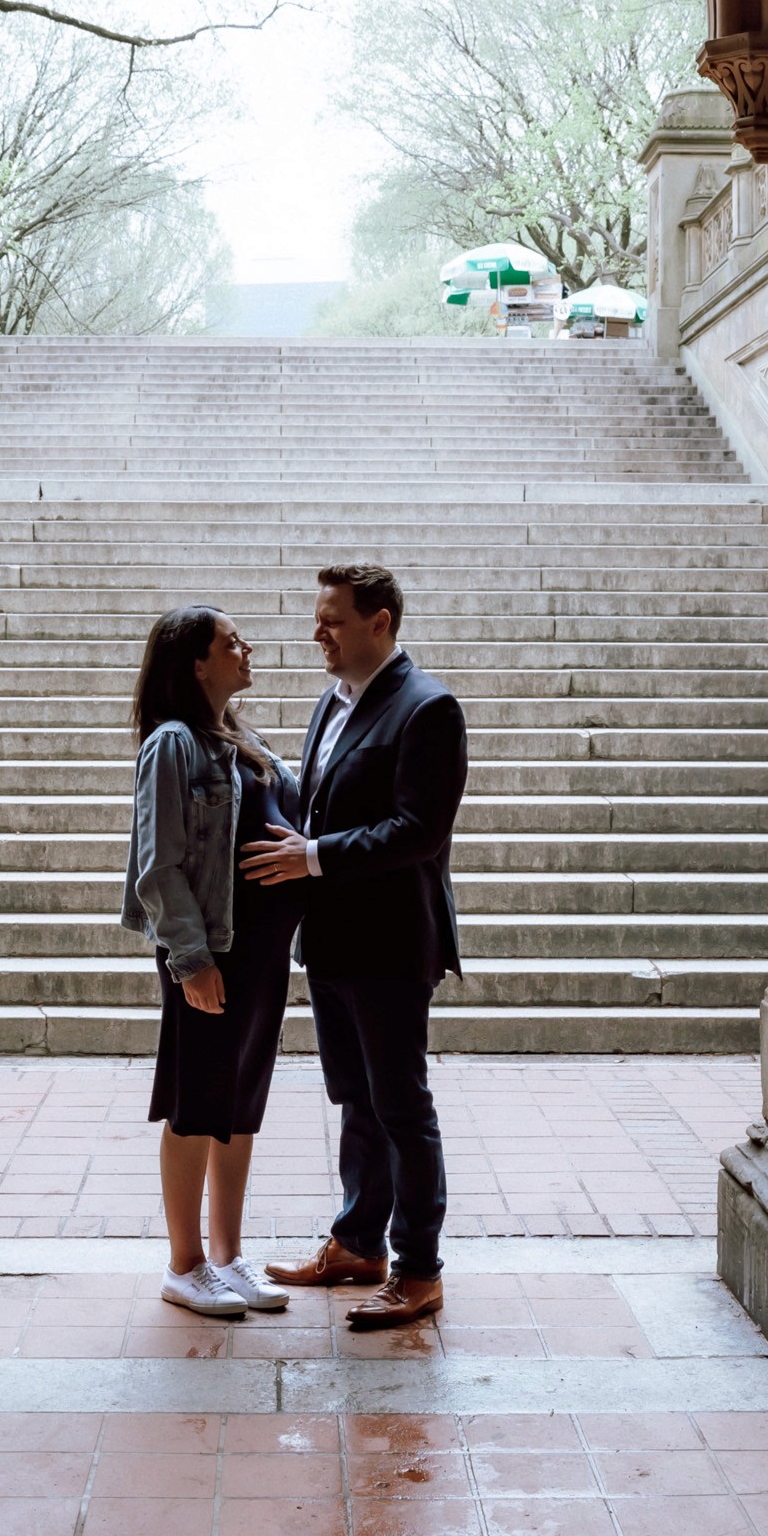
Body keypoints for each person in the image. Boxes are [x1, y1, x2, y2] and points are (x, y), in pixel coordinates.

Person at [240, 563, 467, 1328]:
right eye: (318, 618)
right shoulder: (332, 702)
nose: (318, 633)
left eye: (333, 619)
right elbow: (321, 794)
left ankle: (420, 1269)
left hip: (393, 943)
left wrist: (313, 855)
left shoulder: (428, 708)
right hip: (332, 942)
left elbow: (419, 831)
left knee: (402, 1105)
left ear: (381, 623)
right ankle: (358, 1242)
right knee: (356, 1101)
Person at [121, 605, 305, 1318]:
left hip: (260, 954)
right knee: (196, 1105)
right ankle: (184, 1263)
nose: (245, 648)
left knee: (239, 1107)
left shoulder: (240, 738)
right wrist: (190, 959)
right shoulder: (173, 744)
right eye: (231, 642)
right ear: (197, 663)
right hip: (213, 955)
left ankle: (228, 1256)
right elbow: (158, 863)